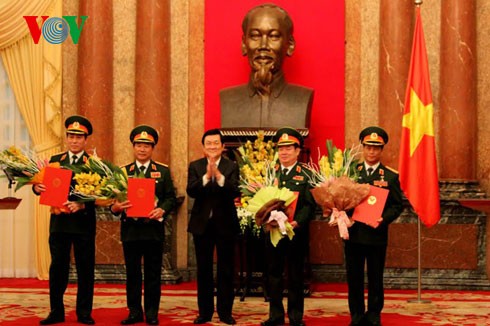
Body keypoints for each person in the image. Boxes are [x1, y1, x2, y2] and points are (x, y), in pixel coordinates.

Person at [110, 125, 177, 326]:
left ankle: (152, 312)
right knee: (132, 274)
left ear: (152, 148)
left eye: (146, 145)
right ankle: (134, 312)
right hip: (131, 231)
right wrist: (117, 207)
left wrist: (162, 210)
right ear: (133, 147)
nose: (142, 149)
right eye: (138, 144)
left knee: (153, 274)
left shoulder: (162, 171)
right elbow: (113, 205)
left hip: (152, 231)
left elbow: (170, 198)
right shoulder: (123, 172)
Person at [34, 115, 96, 325]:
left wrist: (83, 204)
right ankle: (56, 311)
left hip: (83, 224)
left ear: (85, 139)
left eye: (79, 137)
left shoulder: (94, 164)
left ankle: (84, 312)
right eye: (70, 136)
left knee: (85, 269)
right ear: (66, 138)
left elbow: (103, 195)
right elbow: (41, 186)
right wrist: (36, 187)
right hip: (59, 224)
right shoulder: (55, 161)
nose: (74, 140)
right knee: (58, 268)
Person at [220, 4, 313, 129]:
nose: (263, 45)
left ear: (290, 45)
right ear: (244, 44)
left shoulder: (302, 99)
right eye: (255, 36)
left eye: (273, 36)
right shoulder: (229, 99)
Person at [345, 126, 403, 326]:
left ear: (382, 150)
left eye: (376, 148)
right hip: (353, 233)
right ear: (362, 147)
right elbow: (340, 199)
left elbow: (397, 205)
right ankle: (356, 314)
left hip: (376, 234)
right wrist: (342, 216)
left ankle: (374, 314)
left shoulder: (390, 176)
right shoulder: (351, 172)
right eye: (368, 147)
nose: (371, 151)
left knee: (375, 276)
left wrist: (383, 219)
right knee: (354, 276)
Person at [261, 127, 316, 326]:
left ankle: (295, 316)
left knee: (295, 275)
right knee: (273, 275)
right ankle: (275, 315)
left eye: (288, 148)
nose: (283, 152)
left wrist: (296, 222)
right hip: (273, 233)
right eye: (280, 148)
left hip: (295, 233)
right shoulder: (270, 173)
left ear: (297, 150)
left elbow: (310, 205)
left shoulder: (307, 174)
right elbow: (260, 201)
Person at [186, 129, 240, 325]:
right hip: (202, 225)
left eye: (216, 143)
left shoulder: (231, 166)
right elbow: (191, 190)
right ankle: (205, 312)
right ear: (203, 147)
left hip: (225, 225)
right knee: (204, 270)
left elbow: (234, 191)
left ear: (223, 146)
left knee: (226, 269)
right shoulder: (195, 166)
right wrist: (206, 177)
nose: (212, 146)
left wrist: (218, 176)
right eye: (208, 143)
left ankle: (225, 313)